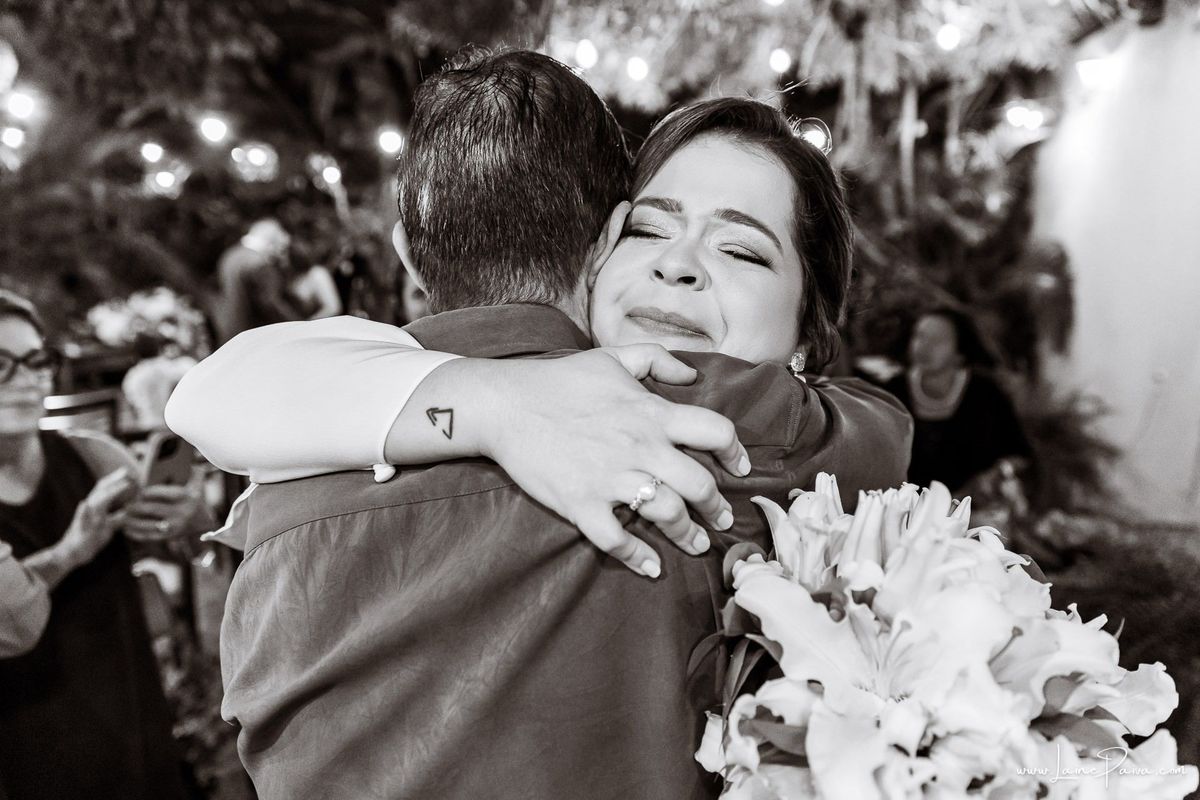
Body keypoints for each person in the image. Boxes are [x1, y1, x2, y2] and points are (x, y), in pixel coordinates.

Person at [167, 51, 911, 799]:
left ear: (404, 253)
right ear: (602, 246)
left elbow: (210, 396)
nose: (679, 266)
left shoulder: (289, 456)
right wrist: (496, 406)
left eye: (743, 248)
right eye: (653, 231)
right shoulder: (714, 422)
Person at [0, 290, 212, 799]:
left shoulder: (94, 456)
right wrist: (71, 551)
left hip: (127, 707)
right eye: (1, 364)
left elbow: (186, 550)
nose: (25, 379)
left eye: (35, 360)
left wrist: (190, 524)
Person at [885, 306, 1031, 493]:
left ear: (960, 351)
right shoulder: (893, 390)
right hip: (908, 512)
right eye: (919, 336)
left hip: (972, 512)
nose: (924, 346)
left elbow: (1020, 455)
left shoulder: (986, 393)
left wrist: (998, 474)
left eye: (937, 340)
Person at [211, 218, 300, 343]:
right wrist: (299, 326)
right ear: (271, 242)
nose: (280, 255)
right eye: (281, 249)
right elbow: (271, 305)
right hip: (258, 337)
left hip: (232, 336)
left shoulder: (230, 256)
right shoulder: (259, 264)